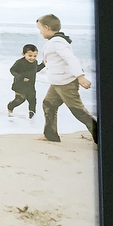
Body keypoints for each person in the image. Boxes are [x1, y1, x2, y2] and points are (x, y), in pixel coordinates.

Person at [36, 14, 97, 143]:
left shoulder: (57, 42)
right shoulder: (56, 41)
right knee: (48, 104)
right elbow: (51, 60)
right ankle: (51, 135)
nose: (40, 32)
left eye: (40, 29)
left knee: (78, 111)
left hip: (66, 83)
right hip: (57, 83)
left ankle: (101, 136)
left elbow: (71, 58)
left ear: (47, 28)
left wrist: (80, 77)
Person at [6, 44, 44, 118]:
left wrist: (43, 65)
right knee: (20, 100)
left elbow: (36, 69)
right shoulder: (20, 62)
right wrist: (21, 77)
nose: (32, 58)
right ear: (23, 54)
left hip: (30, 86)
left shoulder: (35, 62)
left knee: (32, 100)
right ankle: (11, 106)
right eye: (30, 56)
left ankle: (32, 115)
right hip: (20, 85)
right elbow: (12, 70)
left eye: (35, 56)